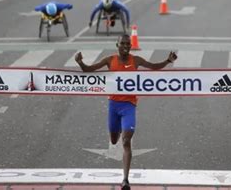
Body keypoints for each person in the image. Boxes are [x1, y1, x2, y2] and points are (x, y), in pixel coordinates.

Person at [75, 34, 177, 190]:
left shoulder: (136, 60)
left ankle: (125, 180)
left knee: (126, 140)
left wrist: (168, 61)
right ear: (117, 44)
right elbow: (89, 70)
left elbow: (153, 66)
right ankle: (115, 135)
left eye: (128, 44)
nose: (126, 46)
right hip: (114, 106)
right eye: (122, 43)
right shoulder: (110, 60)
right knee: (115, 139)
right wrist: (80, 62)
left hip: (129, 106)